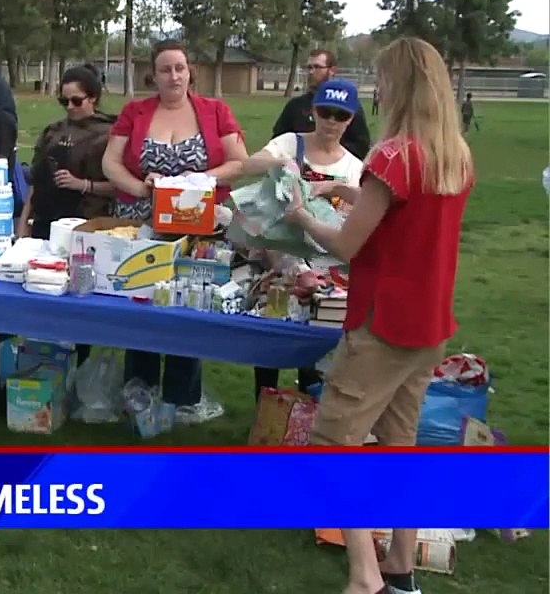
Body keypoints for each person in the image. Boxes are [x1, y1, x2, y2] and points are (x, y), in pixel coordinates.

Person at [286, 37, 473, 594]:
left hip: (382, 324)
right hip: (428, 323)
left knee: (333, 442)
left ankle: (364, 575)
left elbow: (347, 246)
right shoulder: (454, 156)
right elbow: (405, 222)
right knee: (399, 444)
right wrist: (350, 192)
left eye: (383, 79)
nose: (377, 89)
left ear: (402, 85)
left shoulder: (393, 156)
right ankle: (400, 564)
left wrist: (304, 218)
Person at [102, 39, 248, 416]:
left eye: (180, 68)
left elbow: (240, 162)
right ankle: (139, 392)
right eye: (165, 69)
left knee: (189, 307)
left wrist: (196, 181)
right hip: (141, 223)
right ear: (153, 75)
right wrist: (140, 187)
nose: (174, 76)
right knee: (141, 304)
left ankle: (183, 398)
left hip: (198, 229)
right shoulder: (134, 112)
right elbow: (110, 162)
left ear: (189, 72)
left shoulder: (215, 111)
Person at [235, 78, 366, 401]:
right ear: (313, 111)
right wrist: (280, 162)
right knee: (270, 341)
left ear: (351, 119)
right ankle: (265, 411)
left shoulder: (353, 167)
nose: (331, 122)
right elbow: (248, 164)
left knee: (314, 345)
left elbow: (357, 219)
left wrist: (332, 194)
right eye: (325, 112)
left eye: (340, 115)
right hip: (277, 258)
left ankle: (306, 413)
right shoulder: (292, 143)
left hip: (324, 267)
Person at [18, 66, 116, 239]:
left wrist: (83, 185)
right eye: (64, 101)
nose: (70, 107)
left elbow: (122, 188)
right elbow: (36, 181)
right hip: (45, 223)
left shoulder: (110, 134)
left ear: (92, 97)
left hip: (88, 226)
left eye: (76, 101)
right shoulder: (53, 132)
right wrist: (23, 222)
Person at [271, 49, 371, 160]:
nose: (311, 72)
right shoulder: (295, 105)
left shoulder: (347, 106)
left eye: (317, 67)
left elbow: (361, 146)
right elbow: (277, 141)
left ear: (332, 70)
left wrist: (328, 156)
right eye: (309, 67)